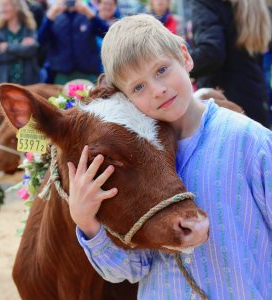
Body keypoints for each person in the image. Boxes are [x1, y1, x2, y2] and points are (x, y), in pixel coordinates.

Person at [67, 14, 272, 299]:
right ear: (126, 98)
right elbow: (131, 270)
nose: (157, 90)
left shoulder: (250, 141)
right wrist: (86, 222)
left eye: (161, 70)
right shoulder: (134, 164)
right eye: (138, 87)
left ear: (185, 57)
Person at [189, 0, 272, 128]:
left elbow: (211, 53)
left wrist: (181, 66)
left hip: (225, 107)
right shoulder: (253, 4)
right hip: (255, 102)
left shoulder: (208, 3)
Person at [37, 0, 111, 84]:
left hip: (88, 72)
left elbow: (107, 34)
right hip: (61, 73)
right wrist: (50, 16)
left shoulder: (88, 14)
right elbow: (40, 40)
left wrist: (89, 13)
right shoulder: (54, 16)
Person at [0, 0, 40, 92]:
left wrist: (8, 47)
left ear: (16, 6)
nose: (2, 9)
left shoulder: (28, 27)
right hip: (5, 83)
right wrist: (21, 48)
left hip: (28, 82)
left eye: (6, 5)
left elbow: (32, 50)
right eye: (0, 6)